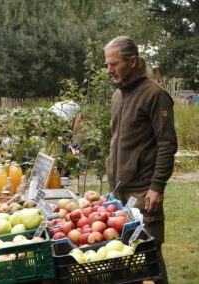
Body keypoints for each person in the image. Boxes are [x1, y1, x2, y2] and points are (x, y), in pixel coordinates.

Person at [104, 36, 178, 284]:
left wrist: (157, 186)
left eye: (113, 64)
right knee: (124, 259)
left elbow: (167, 144)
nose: (109, 70)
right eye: (107, 64)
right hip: (118, 193)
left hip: (144, 192)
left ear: (132, 61)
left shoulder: (155, 95)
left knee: (149, 258)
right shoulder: (118, 95)